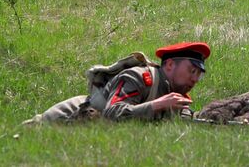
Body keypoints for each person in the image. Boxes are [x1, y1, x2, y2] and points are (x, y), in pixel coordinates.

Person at [25, 42, 210, 124]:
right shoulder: (139, 77)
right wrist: (157, 105)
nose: (195, 79)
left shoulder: (174, 96)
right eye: (192, 71)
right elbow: (112, 113)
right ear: (169, 65)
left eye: (199, 75)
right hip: (60, 121)